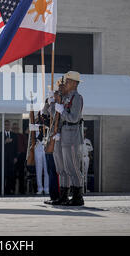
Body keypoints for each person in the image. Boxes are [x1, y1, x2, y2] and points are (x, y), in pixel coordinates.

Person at [55, 71, 85, 206]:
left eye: (68, 82)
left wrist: (62, 111)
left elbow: (73, 118)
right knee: (66, 168)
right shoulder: (67, 97)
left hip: (72, 136)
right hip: (65, 135)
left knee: (73, 168)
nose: (65, 84)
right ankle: (64, 196)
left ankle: (78, 197)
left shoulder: (77, 98)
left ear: (74, 83)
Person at [0, 120, 18, 195]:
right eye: (5, 125)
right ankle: (0, 191)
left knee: (10, 175)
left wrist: (15, 157)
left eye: (8, 125)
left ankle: (9, 190)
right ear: (3, 126)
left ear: (10, 126)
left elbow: (16, 148)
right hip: (2, 158)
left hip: (11, 158)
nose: (7, 126)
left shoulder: (14, 135)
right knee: (1, 175)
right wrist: (5, 142)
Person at [12, 122, 27, 194]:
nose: (15, 129)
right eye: (14, 128)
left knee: (21, 174)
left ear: (19, 129)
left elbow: (25, 146)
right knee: (13, 174)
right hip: (13, 157)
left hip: (21, 156)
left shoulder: (22, 136)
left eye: (16, 128)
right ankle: (12, 190)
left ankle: (22, 190)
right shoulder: (10, 136)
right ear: (12, 129)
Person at [82, 128, 93, 193]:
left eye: (84, 132)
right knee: (79, 173)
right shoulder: (77, 140)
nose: (83, 134)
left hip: (86, 158)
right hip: (79, 158)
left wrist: (90, 158)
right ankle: (79, 188)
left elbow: (90, 151)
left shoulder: (88, 141)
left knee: (85, 173)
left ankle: (85, 188)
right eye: (83, 132)